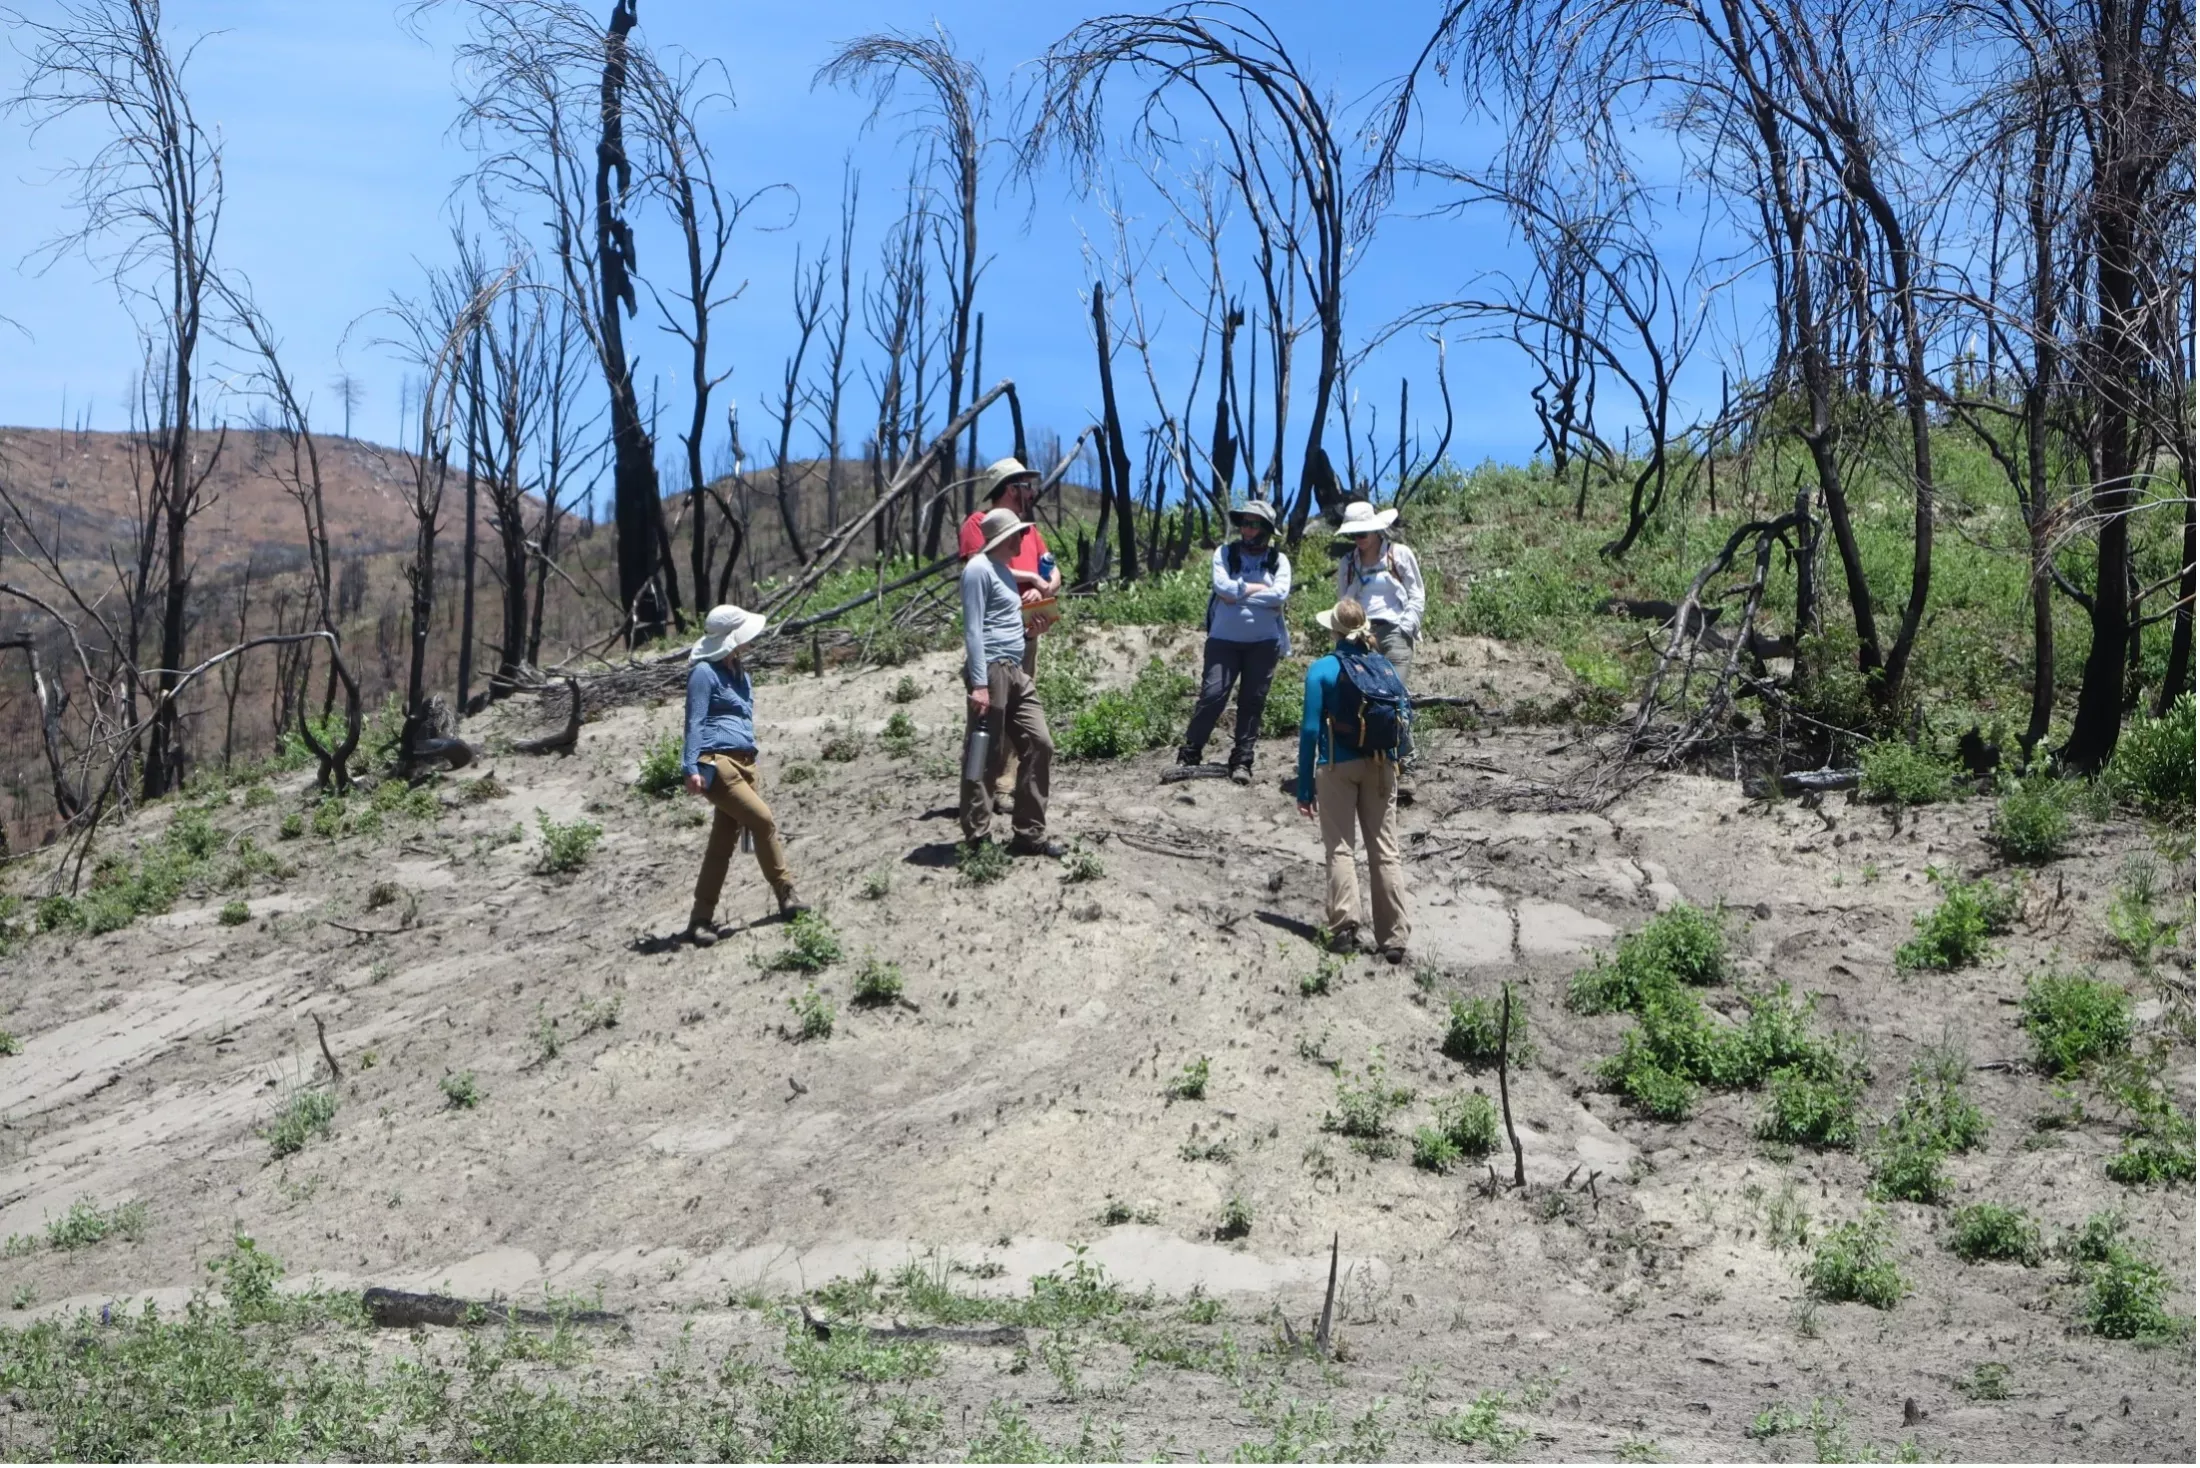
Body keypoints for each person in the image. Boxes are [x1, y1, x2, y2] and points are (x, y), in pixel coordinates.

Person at [1295, 598, 1411, 964]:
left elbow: (1311, 730)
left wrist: (1304, 787)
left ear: (1334, 630)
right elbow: (1403, 717)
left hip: (1336, 768)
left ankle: (1344, 927)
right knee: (1385, 850)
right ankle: (1393, 938)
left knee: (1341, 848)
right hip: (1382, 766)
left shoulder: (1322, 669)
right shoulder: (1385, 667)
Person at [680, 603, 803, 946]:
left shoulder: (740, 675)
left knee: (722, 843)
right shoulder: (704, 673)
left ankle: (699, 920)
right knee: (763, 821)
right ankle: (786, 894)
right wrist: (690, 767)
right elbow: (695, 722)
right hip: (717, 765)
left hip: (746, 765)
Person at [958, 457, 1062, 809]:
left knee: (1024, 719)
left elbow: (1052, 567)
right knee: (993, 720)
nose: (1031, 491)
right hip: (996, 641)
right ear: (1010, 488)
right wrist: (1029, 579)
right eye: (1025, 485)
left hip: (1026, 633)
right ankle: (984, 799)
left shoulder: (1030, 529)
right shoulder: (978, 523)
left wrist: (1045, 587)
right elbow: (983, 564)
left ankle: (1010, 788)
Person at [1176, 498, 1292, 783]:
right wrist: (1255, 588)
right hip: (1223, 641)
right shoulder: (1224, 554)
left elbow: (1280, 595)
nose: (1246, 529)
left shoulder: (1279, 560)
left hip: (1264, 643)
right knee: (1213, 695)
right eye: (1243, 522)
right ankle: (1190, 753)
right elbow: (1222, 587)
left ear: (1265, 528)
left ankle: (1242, 761)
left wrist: (1238, 594)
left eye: (1253, 524)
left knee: (1253, 701)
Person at [1333, 499, 1426, 798]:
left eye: (1363, 533)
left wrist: (1405, 627)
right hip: (1361, 636)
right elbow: (1343, 604)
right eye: (1354, 534)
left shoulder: (1399, 555)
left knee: (1394, 695)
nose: (1358, 539)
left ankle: (1407, 766)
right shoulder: (1348, 564)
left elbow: (1417, 594)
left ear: (1376, 530)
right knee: (1366, 699)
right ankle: (1376, 762)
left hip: (1395, 632)